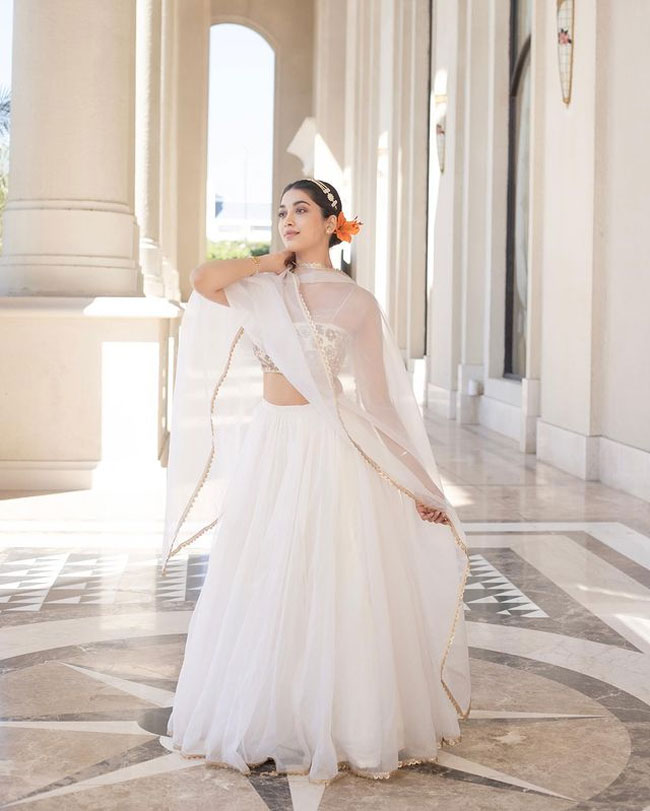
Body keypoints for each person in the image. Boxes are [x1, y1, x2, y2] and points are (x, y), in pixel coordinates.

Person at [161, 177, 471, 784]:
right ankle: (267, 713)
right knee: (264, 572)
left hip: (330, 445)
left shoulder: (357, 303)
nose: (288, 219)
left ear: (333, 223)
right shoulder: (261, 287)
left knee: (333, 575)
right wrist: (268, 262)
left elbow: (379, 403)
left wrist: (418, 482)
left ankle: (341, 721)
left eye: (301, 210)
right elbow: (202, 279)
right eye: (282, 211)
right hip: (272, 444)